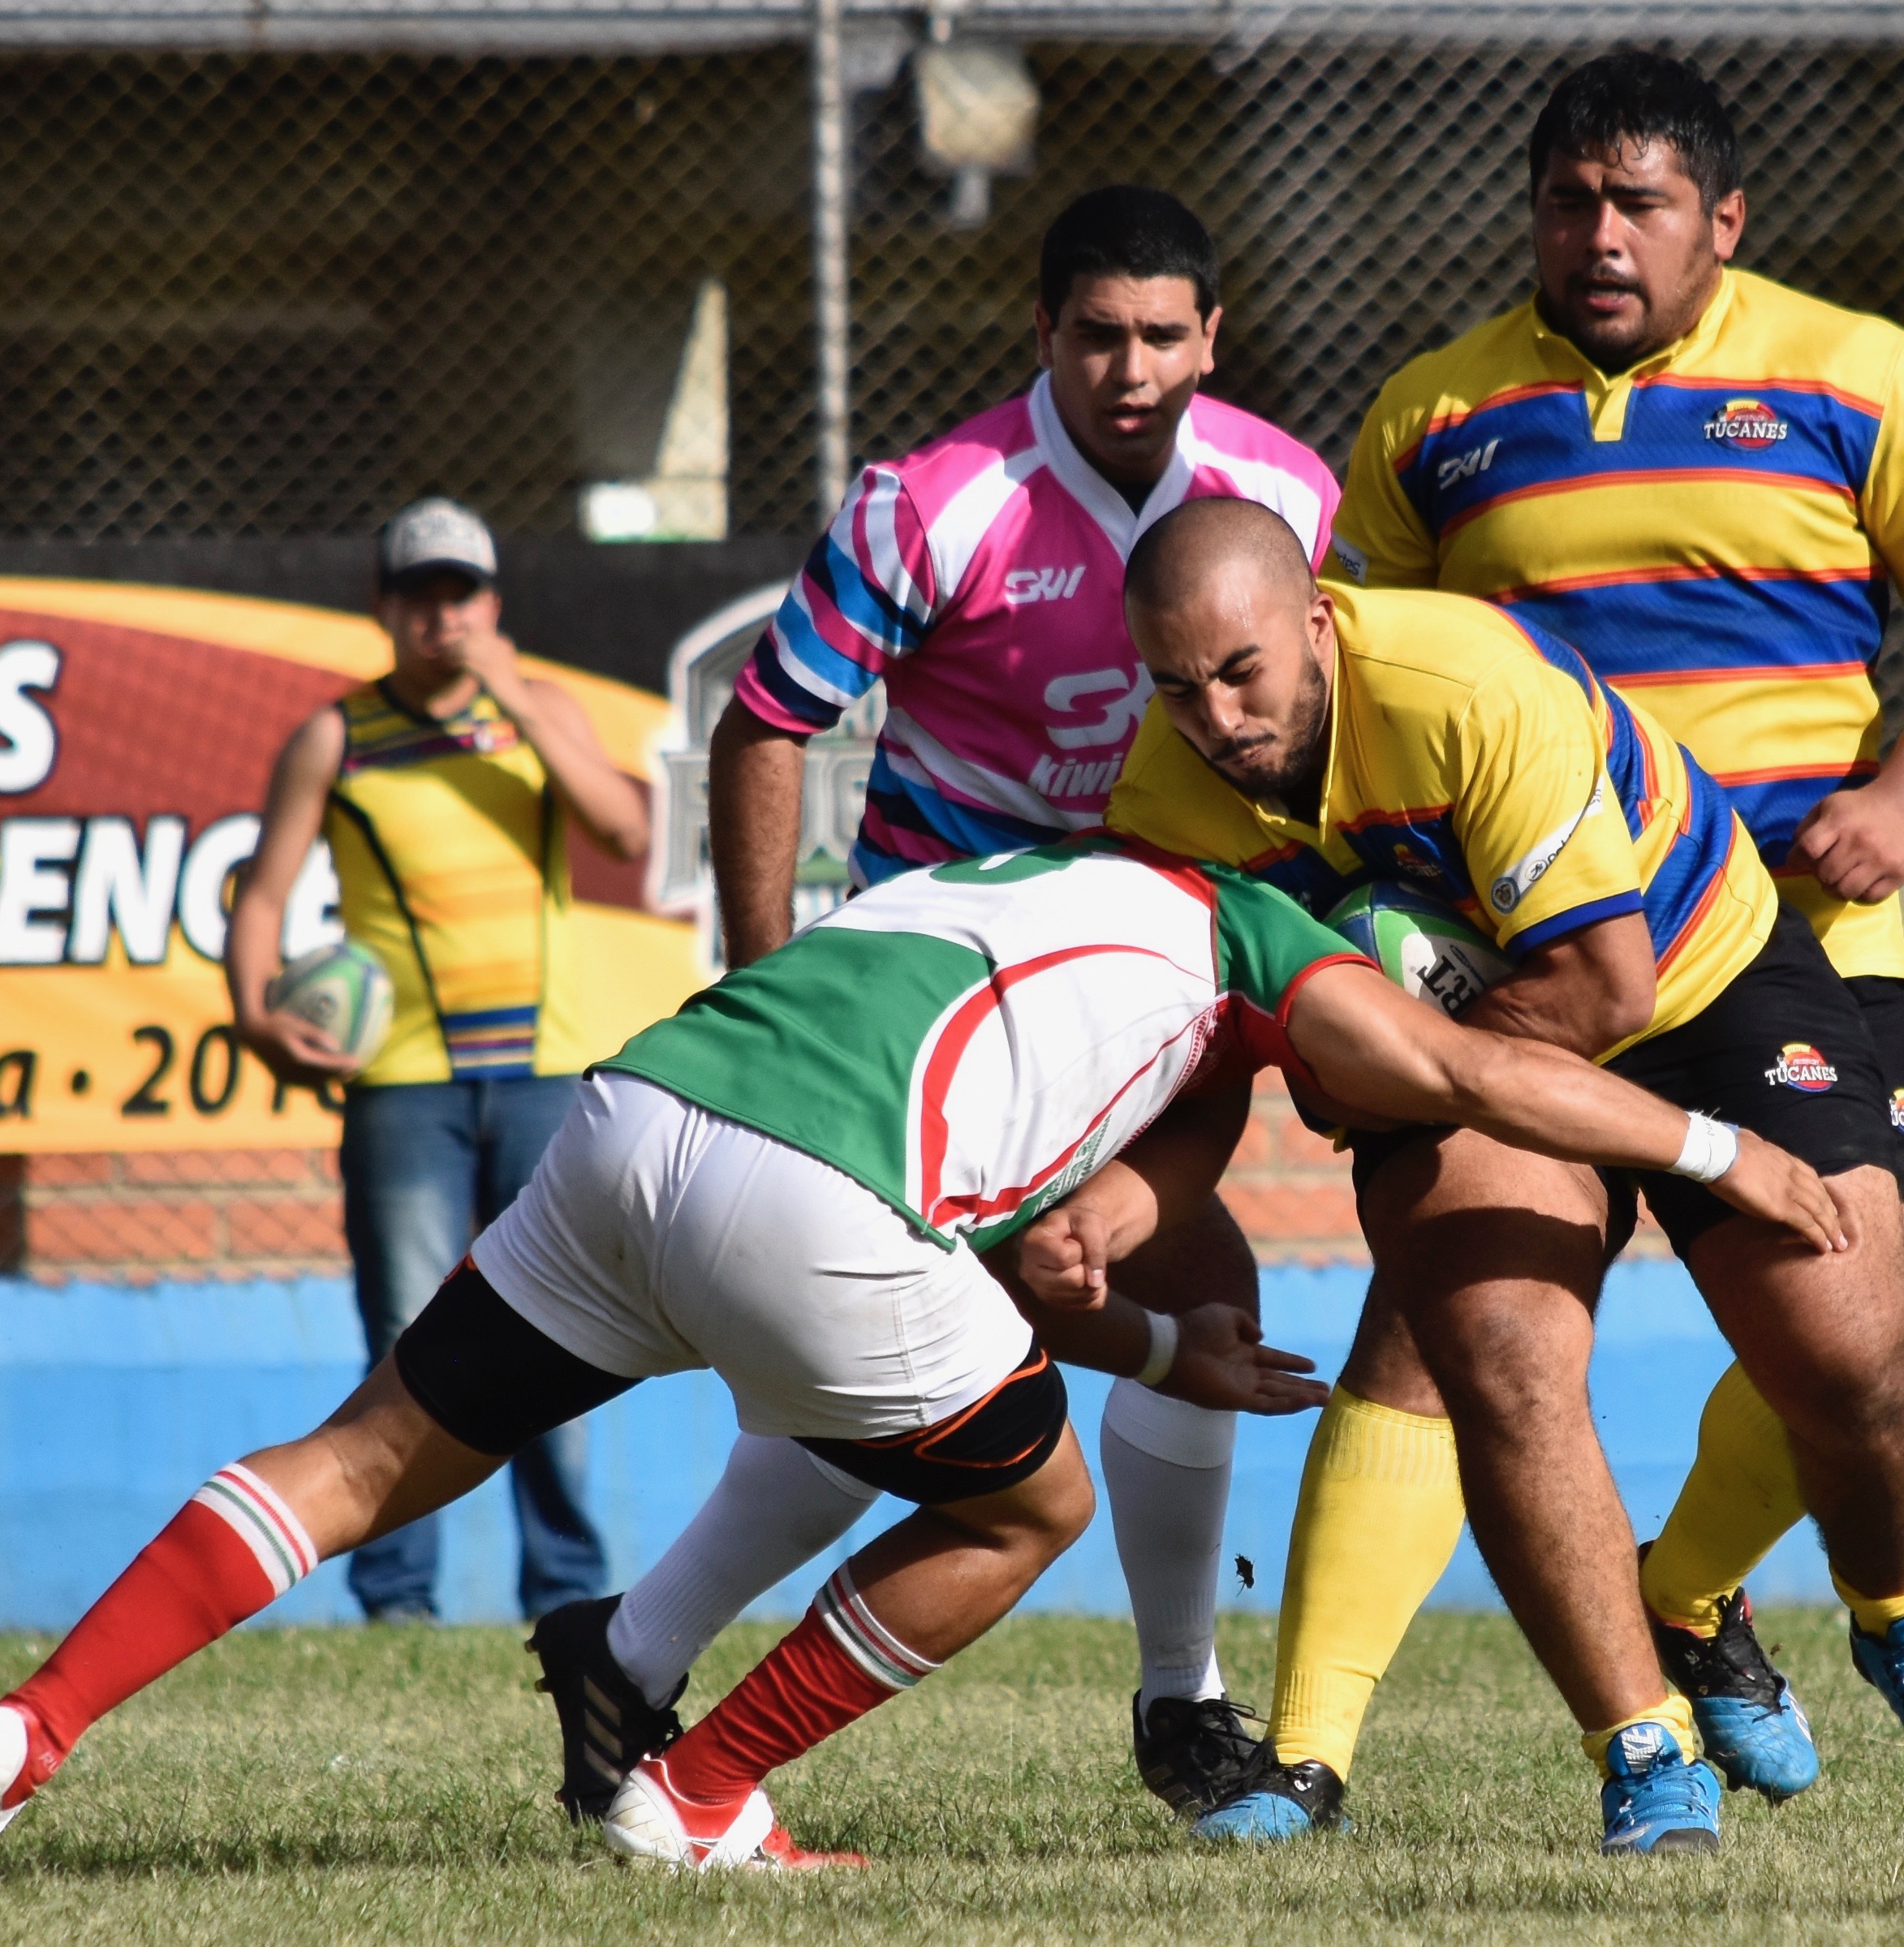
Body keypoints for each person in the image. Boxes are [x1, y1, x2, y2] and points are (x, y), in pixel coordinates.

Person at [0, 834, 1844, 1882]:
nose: (1349, 1107)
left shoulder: (1041, 890)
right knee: (1034, 1494)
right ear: (1336, 966)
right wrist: (1708, 1141)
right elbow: (1451, 1060)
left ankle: (31, 1728)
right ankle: (697, 1788)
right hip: (800, 1190)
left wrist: (1174, 1344)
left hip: (634, 1115)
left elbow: (1016, 1266)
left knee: (365, 1445)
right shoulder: (1254, 951)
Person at [528, 185, 1343, 1834]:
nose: (1130, 367)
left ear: (1213, 338)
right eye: (1096, 334)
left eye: (1162, 336)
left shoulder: (1285, 493)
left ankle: (632, 1650)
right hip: (946, 989)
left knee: (1136, 1298)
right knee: (943, 1359)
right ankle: (1168, 1705)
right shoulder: (937, 502)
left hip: (1156, 964)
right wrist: (762, 982)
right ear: (1041, 334)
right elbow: (767, 724)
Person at [1321, 50, 1904, 1805]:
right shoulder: (1431, 413)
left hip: (1797, 930)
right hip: (1543, 959)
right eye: (1568, 201)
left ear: (1723, 218)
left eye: (1638, 203)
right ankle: (1295, 1750)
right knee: (1458, 1327)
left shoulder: (1860, 373)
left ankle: (1759, 1602)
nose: (1599, 235)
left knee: (1854, 1331)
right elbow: (1365, 681)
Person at [1105, 498, 1904, 1844]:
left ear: (1315, 621)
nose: (1216, 715)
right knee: (1495, 1351)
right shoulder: (1162, 804)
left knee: (1848, 1332)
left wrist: (1395, 1061)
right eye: (1176, 687)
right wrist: (1125, 1208)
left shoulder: (1463, 689)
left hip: (1691, 977)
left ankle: (1900, 1612)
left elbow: (1604, 988)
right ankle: (1643, 1751)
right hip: (1466, 1048)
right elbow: (1208, 1061)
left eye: (1242, 670)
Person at [226, 498, 647, 1626]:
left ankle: (566, 1590)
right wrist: (255, 1013)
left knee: (563, 1333)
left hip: (548, 1074)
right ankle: (394, 1597)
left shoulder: (536, 710)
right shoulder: (338, 734)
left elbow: (625, 830)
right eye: (419, 597)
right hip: (403, 1078)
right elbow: (261, 891)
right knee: (404, 1334)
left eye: (459, 594)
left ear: (493, 604)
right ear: (385, 609)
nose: (440, 616)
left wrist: (514, 692)